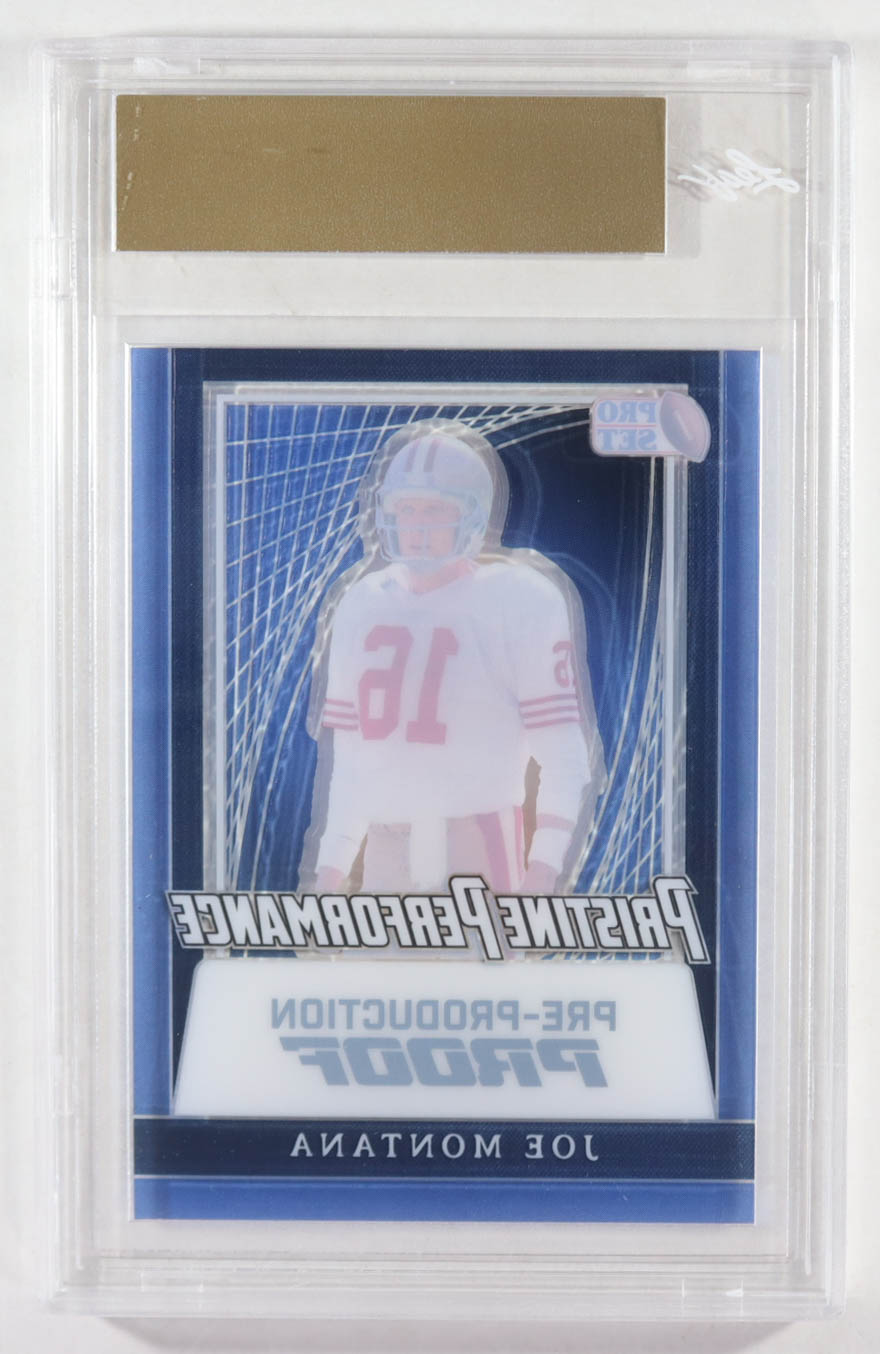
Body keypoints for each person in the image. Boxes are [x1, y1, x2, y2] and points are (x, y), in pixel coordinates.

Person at [302, 420, 605, 898]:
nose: (417, 526)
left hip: (478, 841)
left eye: (435, 509)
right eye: (407, 509)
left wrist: (543, 870)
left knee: (486, 951)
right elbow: (353, 763)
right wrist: (331, 871)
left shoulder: (520, 599)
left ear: (473, 516)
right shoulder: (362, 602)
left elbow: (564, 754)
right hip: (385, 847)